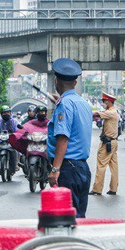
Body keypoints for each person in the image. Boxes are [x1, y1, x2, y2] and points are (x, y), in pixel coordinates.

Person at [47, 58, 92, 218]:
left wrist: (55, 169)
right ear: (74, 82)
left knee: (67, 219)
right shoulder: (83, 103)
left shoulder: (64, 105)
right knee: (79, 217)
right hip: (82, 169)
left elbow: (63, 139)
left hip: (67, 169)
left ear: (56, 81)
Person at [90, 92, 119, 196]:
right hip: (113, 142)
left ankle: (97, 189)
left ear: (108, 101)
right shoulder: (113, 111)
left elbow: (96, 114)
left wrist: (85, 111)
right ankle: (113, 188)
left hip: (108, 143)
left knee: (101, 165)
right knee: (114, 166)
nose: (103, 103)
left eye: (104, 101)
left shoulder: (110, 112)